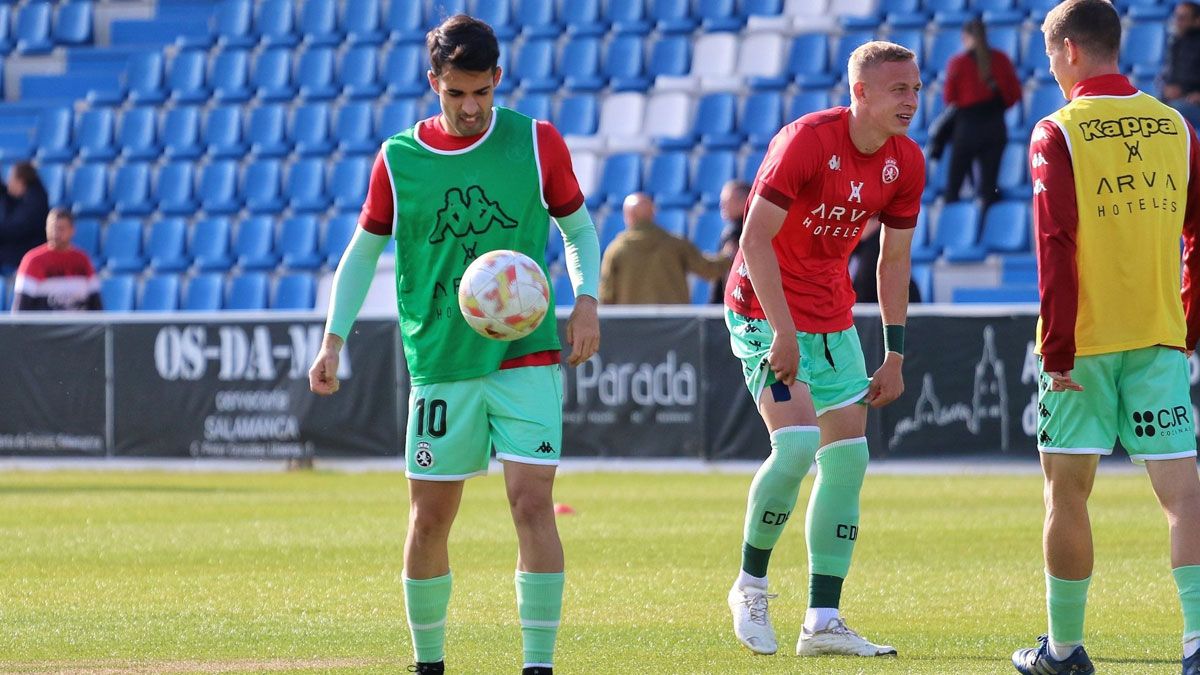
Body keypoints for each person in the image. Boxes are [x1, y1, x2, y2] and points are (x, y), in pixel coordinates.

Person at [307, 15, 601, 675]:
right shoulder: (399, 158)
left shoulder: (536, 142)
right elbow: (362, 253)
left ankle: (538, 665)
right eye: (455, 94)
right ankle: (429, 663)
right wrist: (332, 340)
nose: (470, 108)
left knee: (531, 501)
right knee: (431, 515)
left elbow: (579, 231)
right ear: (433, 82)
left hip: (524, 355)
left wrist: (586, 302)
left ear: (498, 80)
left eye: (481, 93)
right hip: (440, 361)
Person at [1012, 1, 1200, 674]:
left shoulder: (1057, 130)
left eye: (1050, 55)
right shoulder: (1175, 126)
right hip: (1158, 338)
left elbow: (1056, 243)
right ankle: (1197, 642)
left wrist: (1056, 347)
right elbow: (1197, 235)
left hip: (1084, 346)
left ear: (1068, 52)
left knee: (1066, 494)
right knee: (1184, 495)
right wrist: (1188, 325)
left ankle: (1063, 651)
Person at [723, 40, 925, 659]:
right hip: (763, 308)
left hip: (834, 319)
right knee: (797, 444)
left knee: (847, 461)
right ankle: (750, 586)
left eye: (916, 89)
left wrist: (894, 352)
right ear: (860, 92)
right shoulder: (806, 140)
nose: (912, 102)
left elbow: (893, 262)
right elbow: (755, 240)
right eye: (899, 90)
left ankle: (823, 621)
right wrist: (782, 331)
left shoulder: (907, 161)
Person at [941, 17, 1022, 211]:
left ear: (966, 37)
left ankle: (955, 230)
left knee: (953, 189)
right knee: (989, 189)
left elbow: (949, 97)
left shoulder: (958, 63)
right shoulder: (1001, 59)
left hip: (967, 127)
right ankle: (987, 230)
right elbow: (1013, 95)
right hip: (995, 126)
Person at [599, 192, 729, 305]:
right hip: (674, 326)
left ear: (627, 216)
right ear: (653, 213)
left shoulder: (615, 250)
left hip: (631, 327)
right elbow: (707, 269)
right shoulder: (676, 245)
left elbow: (606, 295)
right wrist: (728, 257)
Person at [11, 208, 101, 312]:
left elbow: (96, 305)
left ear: (72, 230)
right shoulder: (33, 261)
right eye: (52, 228)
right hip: (45, 328)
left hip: (80, 327)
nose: (55, 233)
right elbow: (20, 309)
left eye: (61, 229)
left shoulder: (83, 260)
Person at [0, 162, 51, 275]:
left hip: (29, 252)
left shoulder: (35, 202)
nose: (9, 184)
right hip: (20, 247)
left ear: (21, 182)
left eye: (11, 179)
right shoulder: (28, 196)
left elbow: (17, 230)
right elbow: (8, 196)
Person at [709, 179, 751, 303]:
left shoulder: (738, 232)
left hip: (735, 306)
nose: (722, 204)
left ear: (743, 201)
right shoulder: (734, 230)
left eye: (726, 200)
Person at [1162, 1, 1200, 128]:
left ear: (1197, 20)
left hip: (1194, 104)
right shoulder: (1176, 43)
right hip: (1176, 99)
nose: (1177, 22)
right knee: (1147, 105)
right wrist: (1168, 88)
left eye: (1182, 18)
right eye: (1176, 17)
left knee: (1173, 111)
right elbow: (1168, 75)